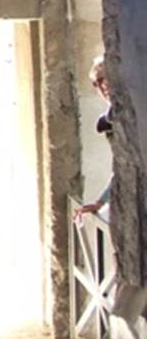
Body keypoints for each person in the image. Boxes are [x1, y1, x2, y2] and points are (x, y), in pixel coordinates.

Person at [73, 55, 113, 223]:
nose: (103, 86)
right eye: (97, 83)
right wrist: (100, 202)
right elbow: (122, 170)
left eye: (106, 78)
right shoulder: (109, 120)